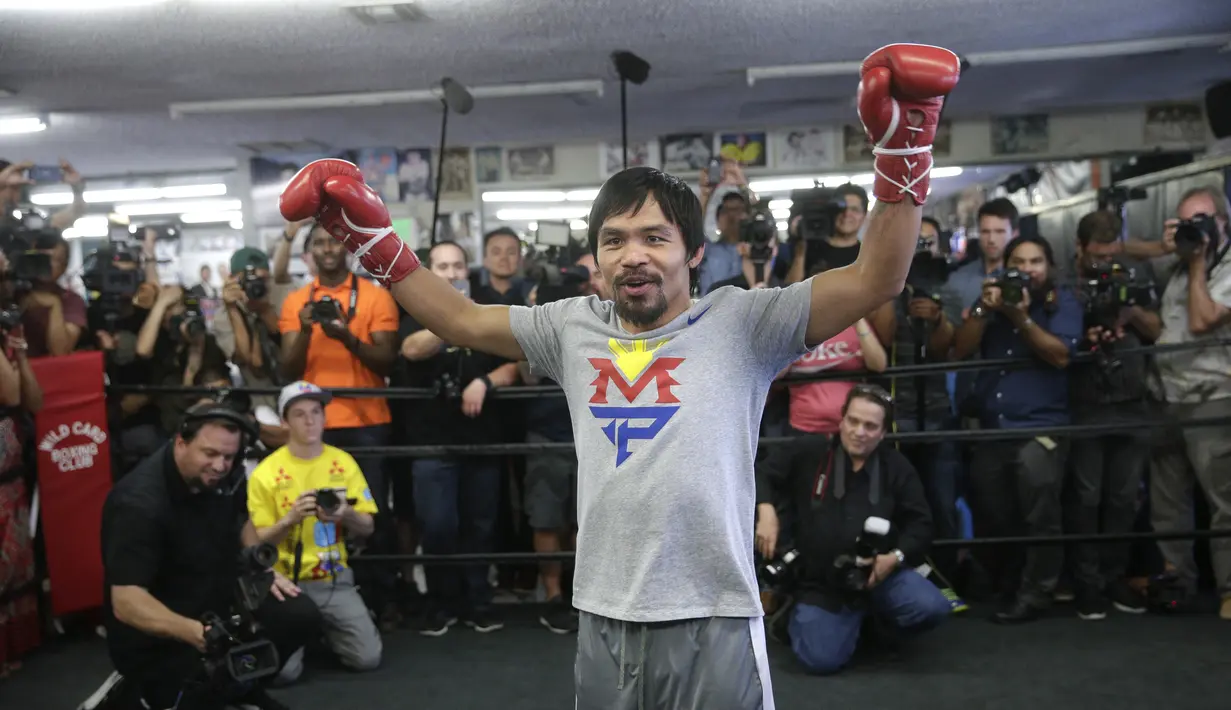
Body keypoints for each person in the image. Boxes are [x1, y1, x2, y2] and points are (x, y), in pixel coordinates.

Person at [279, 43, 959, 709]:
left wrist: (903, 155)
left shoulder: (745, 322)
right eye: (614, 240)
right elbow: (457, 318)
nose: (632, 256)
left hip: (712, 613)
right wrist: (376, 241)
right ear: (596, 258)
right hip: (603, 612)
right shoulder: (571, 326)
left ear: (692, 252)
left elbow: (878, 277)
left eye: (653, 238)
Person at [101, 403, 320, 710]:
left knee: (298, 614)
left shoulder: (225, 475)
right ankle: (162, 693)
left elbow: (241, 519)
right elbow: (126, 602)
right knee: (192, 683)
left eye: (228, 457)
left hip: (213, 602)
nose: (219, 466)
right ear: (181, 442)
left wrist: (259, 564)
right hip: (163, 632)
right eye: (210, 454)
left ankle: (239, 684)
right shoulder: (139, 504)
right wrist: (196, 634)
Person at [754, 385, 948, 674]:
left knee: (932, 607)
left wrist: (894, 557)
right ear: (841, 420)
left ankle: (865, 624)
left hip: (877, 574)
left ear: (883, 433)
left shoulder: (896, 466)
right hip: (819, 584)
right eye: (854, 421)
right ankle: (799, 616)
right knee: (820, 661)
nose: (859, 431)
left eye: (870, 426)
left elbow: (921, 524)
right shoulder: (810, 452)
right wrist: (765, 509)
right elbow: (760, 472)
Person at [953, 234, 1082, 623]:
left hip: (1041, 426)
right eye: (1019, 262)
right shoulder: (994, 300)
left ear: (1049, 267)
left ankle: (1037, 591)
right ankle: (1006, 582)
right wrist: (981, 308)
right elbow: (959, 349)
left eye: (1036, 262)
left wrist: (1020, 318)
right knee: (992, 504)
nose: (1027, 270)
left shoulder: (1062, 302)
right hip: (995, 427)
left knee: (1038, 497)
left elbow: (1060, 356)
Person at [248, 382, 382, 679]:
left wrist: (344, 513)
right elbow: (255, 542)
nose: (309, 421)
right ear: (285, 421)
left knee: (367, 659)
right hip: (285, 582)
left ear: (325, 417)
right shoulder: (265, 472)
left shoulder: (343, 462)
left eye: (316, 412)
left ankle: (324, 630)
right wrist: (290, 519)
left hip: (333, 577)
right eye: (299, 414)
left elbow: (368, 527)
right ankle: (296, 631)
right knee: (283, 675)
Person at [0, 324, 41, 677]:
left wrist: (22, 354)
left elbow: (33, 400)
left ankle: (11, 648)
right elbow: (10, 395)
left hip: (11, 479)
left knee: (15, 565)